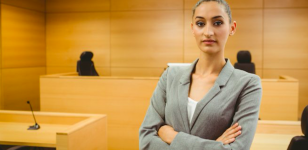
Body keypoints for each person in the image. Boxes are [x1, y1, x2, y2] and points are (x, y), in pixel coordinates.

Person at [139, 0, 262, 149]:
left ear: (232, 27)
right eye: (200, 23)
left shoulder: (248, 84)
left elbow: (238, 148)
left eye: (217, 23)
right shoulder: (170, 75)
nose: (208, 32)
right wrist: (215, 145)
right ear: (192, 28)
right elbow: (146, 139)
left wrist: (174, 137)